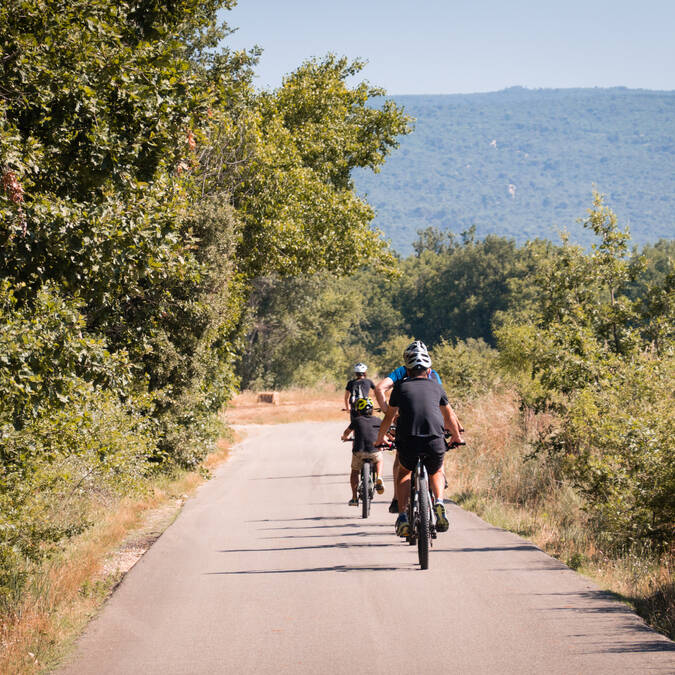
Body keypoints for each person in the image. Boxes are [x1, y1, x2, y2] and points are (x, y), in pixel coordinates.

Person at [375, 343, 463, 537]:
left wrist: (380, 439)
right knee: (437, 469)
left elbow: (388, 417)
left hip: (408, 440)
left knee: (404, 472)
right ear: (429, 369)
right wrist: (456, 436)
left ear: (407, 369)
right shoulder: (436, 386)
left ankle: (403, 516)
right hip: (434, 439)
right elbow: (448, 415)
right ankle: (439, 503)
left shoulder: (400, 387)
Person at [341, 397, 385, 505]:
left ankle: (354, 498)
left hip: (359, 452)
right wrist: (391, 440)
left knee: (355, 472)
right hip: (374, 451)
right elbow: (387, 433)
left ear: (359, 410)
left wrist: (344, 437)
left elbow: (347, 432)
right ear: (372, 409)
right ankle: (379, 476)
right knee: (379, 459)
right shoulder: (378, 420)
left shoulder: (356, 420)